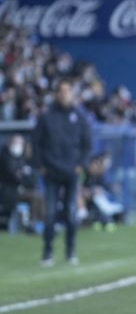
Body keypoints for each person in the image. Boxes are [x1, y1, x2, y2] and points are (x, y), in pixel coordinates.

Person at [32, 79, 91, 265]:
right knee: (50, 214)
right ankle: (47, 252)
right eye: (61, 91)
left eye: (68, 91)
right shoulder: (46, 117)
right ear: (56, 94)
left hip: (72, 172)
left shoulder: (79, 117)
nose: (64, 94)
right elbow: (36, 143)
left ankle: (70, 251)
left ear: (72, 94)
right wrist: (40, 164)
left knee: (71, 213)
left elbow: (86, 144)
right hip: (51, 171)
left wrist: (81, 164)